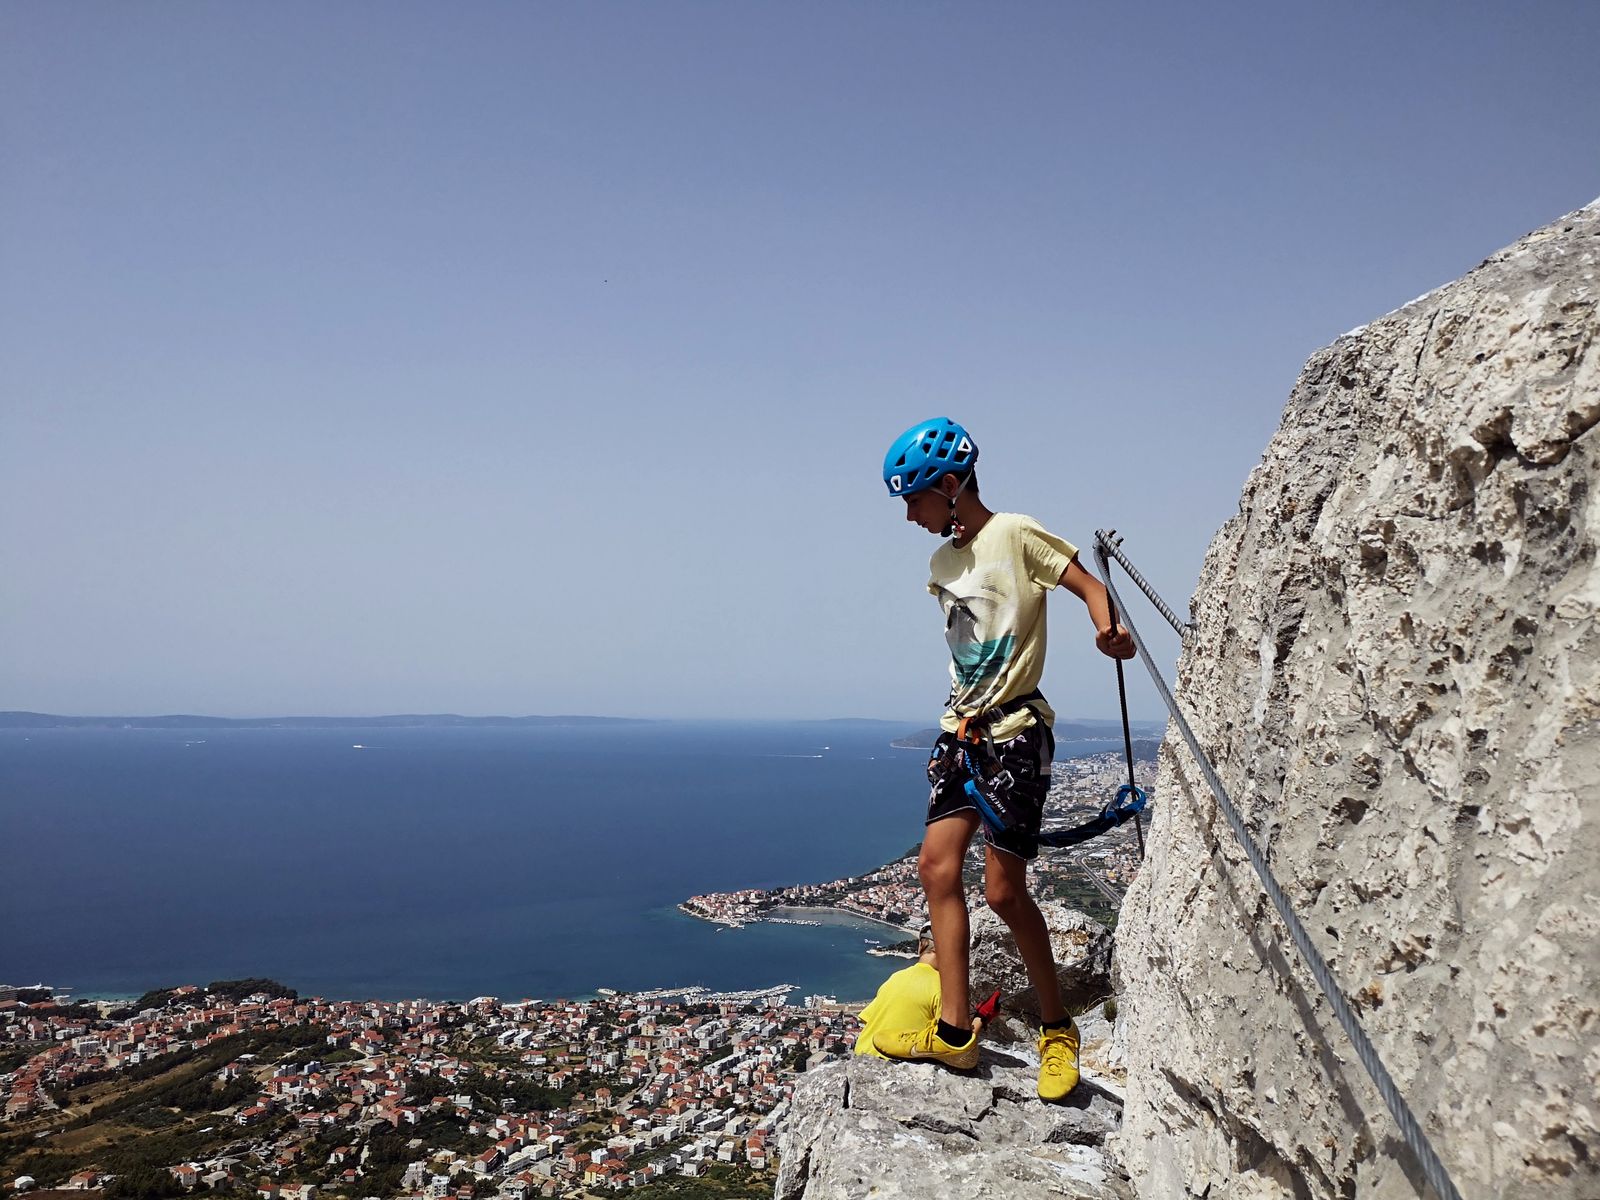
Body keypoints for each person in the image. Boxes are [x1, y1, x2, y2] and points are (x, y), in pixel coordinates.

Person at [877, 417, 1135, 1100]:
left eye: (915, 499)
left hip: (1018, 730)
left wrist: (1107, 628)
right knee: (936, 867)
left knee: (1002, 891)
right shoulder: (941, 565)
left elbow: (1086, 585)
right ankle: (957, 1035)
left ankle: (1057, 1030)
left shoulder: (1015, 535)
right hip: (961, 730)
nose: (909, 515)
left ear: (951, 486)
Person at [853, 924, 985, 1067]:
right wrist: (982, 1018)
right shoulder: (946, 988)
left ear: (920, 947)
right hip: (889, 1064)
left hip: (862, 1055)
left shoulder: (895, 977)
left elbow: (869, 1020)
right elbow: (955, 1042)